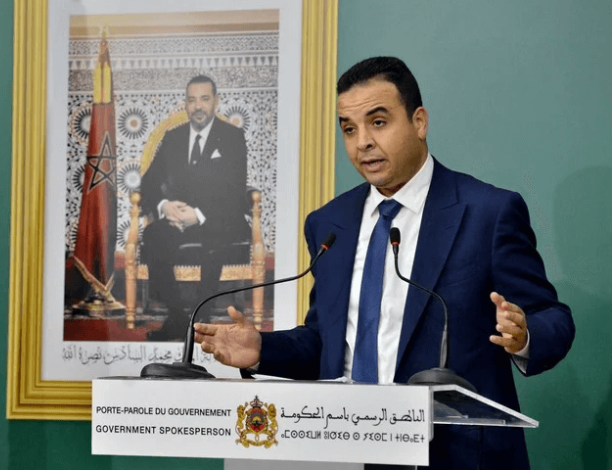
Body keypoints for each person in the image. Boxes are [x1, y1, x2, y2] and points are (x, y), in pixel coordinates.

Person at [194, 57, 574, 469]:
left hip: (457, 455)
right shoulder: (329, 223)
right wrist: (261, 349)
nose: (362, 143)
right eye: (349, 129)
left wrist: (524, 334)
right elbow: (326, 341)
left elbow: (552, 318)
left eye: (378, 122)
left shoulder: (488, 212)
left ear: (419, 122)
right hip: (345, 452)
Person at [141, 75, 250, 341]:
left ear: (216, 101)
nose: (198, 106)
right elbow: (149, 182)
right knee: (153, 234)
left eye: (204, 99)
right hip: (179, 219)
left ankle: (201, 319)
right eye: (191, 100)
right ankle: (177, 316)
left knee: (215, 238)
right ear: (185, 104)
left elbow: (235, 190)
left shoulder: (232, 137)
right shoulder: (173, 138)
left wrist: (199, 215)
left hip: (219, 219)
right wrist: (165, 206)